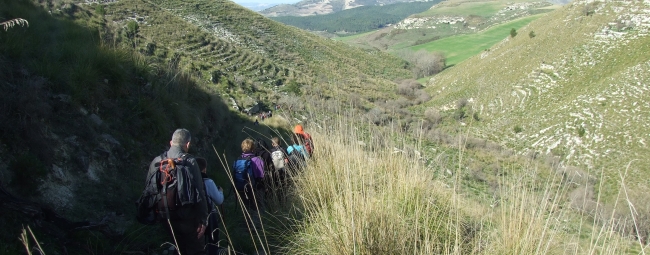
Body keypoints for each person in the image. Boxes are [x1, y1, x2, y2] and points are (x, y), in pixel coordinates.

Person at [146, 129, 208, 255]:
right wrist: (203, 219)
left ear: (171, 143)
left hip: (165, 216)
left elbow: (149, 190)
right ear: (188, 144)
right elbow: (200, 192)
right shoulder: (190, 161)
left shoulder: (157, 161)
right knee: (196, 250)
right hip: (188, 217)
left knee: (178, 246)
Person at [196, 158, 224, 255]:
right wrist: (220, 191)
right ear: (204, 169)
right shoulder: (208, 182)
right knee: (213, 237)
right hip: (209, 215)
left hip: (192, 216)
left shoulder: (189, 181)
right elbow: (219, 200)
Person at [233, 138, 265, 210]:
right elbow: (261, 176)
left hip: (240, 187)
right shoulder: (257, 160)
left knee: (246, 207)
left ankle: (246, 219)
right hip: (254, 188)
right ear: (253, 148)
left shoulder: (238, 160)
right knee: (258, 207)